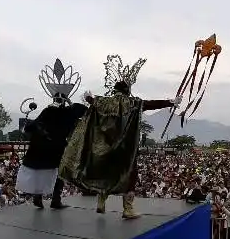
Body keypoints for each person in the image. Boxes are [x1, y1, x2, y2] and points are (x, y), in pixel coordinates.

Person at [59, 56, 179, 219]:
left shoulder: (104, 102)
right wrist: (170, 102)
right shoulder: (133, 103)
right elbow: (150, 104)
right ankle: (128, 209)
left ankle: (101, 202)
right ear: (127, 90)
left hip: (105, 149)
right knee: (130, 176)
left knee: (105, 174)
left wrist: (88, 98)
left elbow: (91, 101)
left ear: (115, 90)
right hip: (125, 150)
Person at [15, 59, 87, 209]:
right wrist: (69, 101)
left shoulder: (47, 111)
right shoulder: (69, 112)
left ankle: (38, 197)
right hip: (57, 148)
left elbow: (31, 127)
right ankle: (55, 200)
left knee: (40, 171)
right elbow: (82, 109)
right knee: (58, 173)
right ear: (64, 100)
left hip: (40, 148)